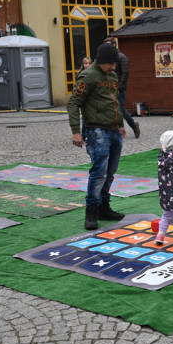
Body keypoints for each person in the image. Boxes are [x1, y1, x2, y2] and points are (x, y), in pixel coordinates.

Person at [67, 41, 126, 230]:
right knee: (99, 173)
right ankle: (91, 211)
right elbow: (73, 103)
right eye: (111, 63)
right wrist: (76, 131)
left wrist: (121, 124)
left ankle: (104, 207)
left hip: (114, 131)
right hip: (96, 131)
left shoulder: (113, 76)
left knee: (110, 173)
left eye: (115, 64)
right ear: (101, 61)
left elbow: (115, 102)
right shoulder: (88, 76)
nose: (114, 67)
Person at [104, 37, 141, 139]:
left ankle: (134, 126)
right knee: (111, 109)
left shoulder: (122, 57)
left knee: (120, 109)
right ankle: (116, 131)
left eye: (108, 45)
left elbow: (125, 73)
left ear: (113, 45)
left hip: (120, 87)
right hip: (109, 87)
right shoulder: (107, 58)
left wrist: (119, 87)